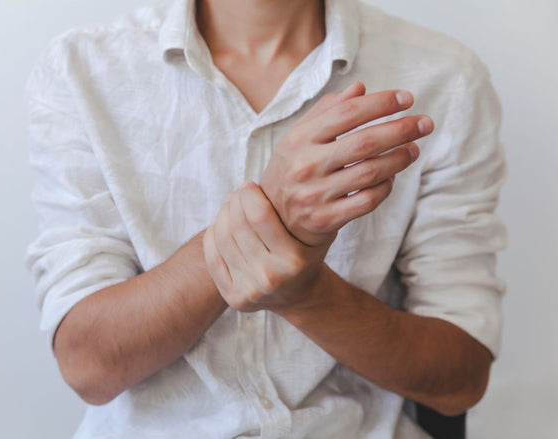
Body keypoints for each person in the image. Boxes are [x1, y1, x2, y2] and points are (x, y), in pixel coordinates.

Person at [25, 0, 506, 437]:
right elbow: (88, 366)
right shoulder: (82, 71)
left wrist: (307, 296)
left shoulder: (445, 79)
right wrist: (272, 212)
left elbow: (459, 379)